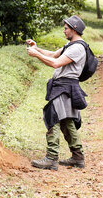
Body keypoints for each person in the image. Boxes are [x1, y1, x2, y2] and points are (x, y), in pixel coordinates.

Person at [26, 15, 88, 171]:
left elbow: (55, 63)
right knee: (67, 121)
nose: (64, 30)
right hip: (65, 87)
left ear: (74, 29)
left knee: (53, 117)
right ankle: (77, 157)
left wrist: (36, 55)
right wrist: (37, 48)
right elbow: (53, 54)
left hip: (64, 87)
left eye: (66, 28)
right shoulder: (71, 44)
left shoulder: (77, 48)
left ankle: (51, 158)